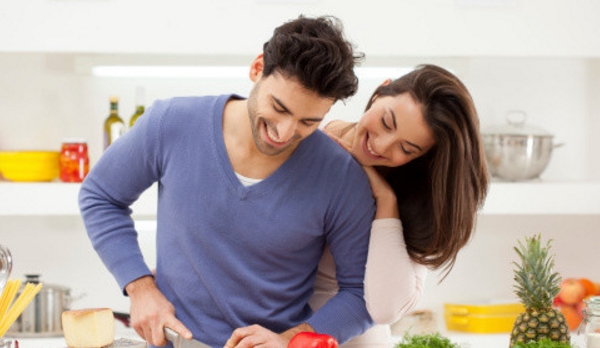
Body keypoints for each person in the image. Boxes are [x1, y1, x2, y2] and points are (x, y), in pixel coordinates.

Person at [78, 15, 376, 348]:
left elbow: (361, 294)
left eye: (308, 122)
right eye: (279, 107)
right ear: (257, 68)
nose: (285, 133)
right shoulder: (171, 124)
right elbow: (100, 196)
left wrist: (288, 340)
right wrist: (140, 287)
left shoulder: (341, 176)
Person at [312, 64, 489, 347]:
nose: (382, 146)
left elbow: (385, 307)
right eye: (386, 122)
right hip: (277, 332)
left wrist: (386, 200)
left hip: (353, 339)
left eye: (406, 149)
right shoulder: (308, 135)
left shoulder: (412, 198)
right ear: (379, 93)